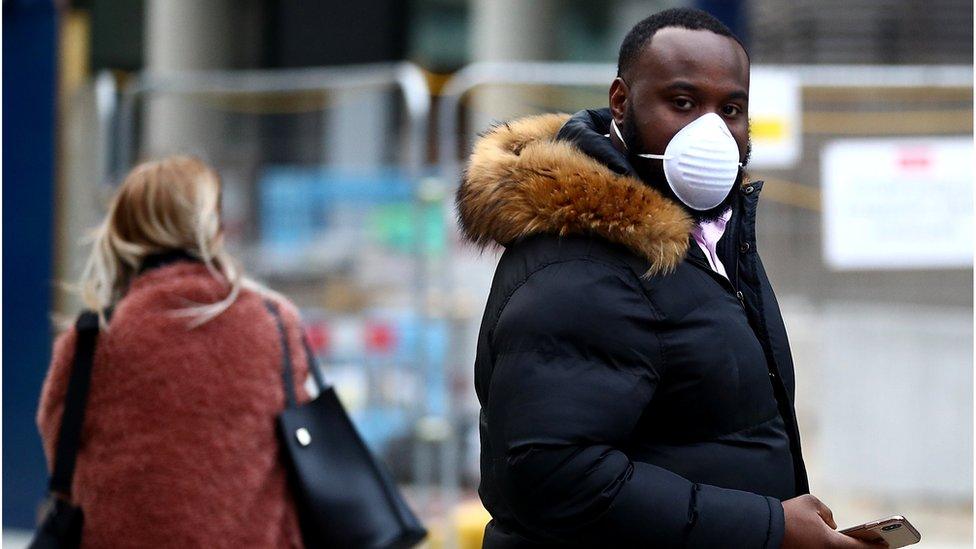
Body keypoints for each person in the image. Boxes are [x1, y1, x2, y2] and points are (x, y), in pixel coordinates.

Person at [457, 8, 884, 549]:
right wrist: (771, 528)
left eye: (730, 109)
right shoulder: (581, 263)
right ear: (621, 100)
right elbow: (555, 476)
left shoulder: (706, 241)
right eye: (682, 103)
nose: (710, 131)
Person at [37, 156, 311, 548]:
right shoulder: (275, 323)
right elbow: (300, 439)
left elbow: (59, 447)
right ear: (212, 229)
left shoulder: (95, 339)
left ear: (123, 230)